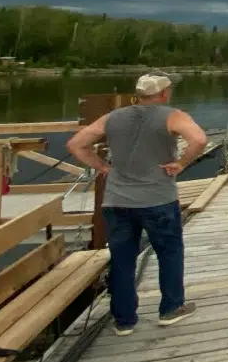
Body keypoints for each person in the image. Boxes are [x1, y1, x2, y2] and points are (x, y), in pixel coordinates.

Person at [66, 72, 209, 335]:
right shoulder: (172, 115)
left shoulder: (112, 117)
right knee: (169, 253)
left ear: (138, 94)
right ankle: (170, 308)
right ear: (164, 93)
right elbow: (199, 140)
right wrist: (181, 163)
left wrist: (102, 167)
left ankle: (124, 320)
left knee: (122, 259)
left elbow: (76, 144)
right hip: (157, 199)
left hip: (117, 201)